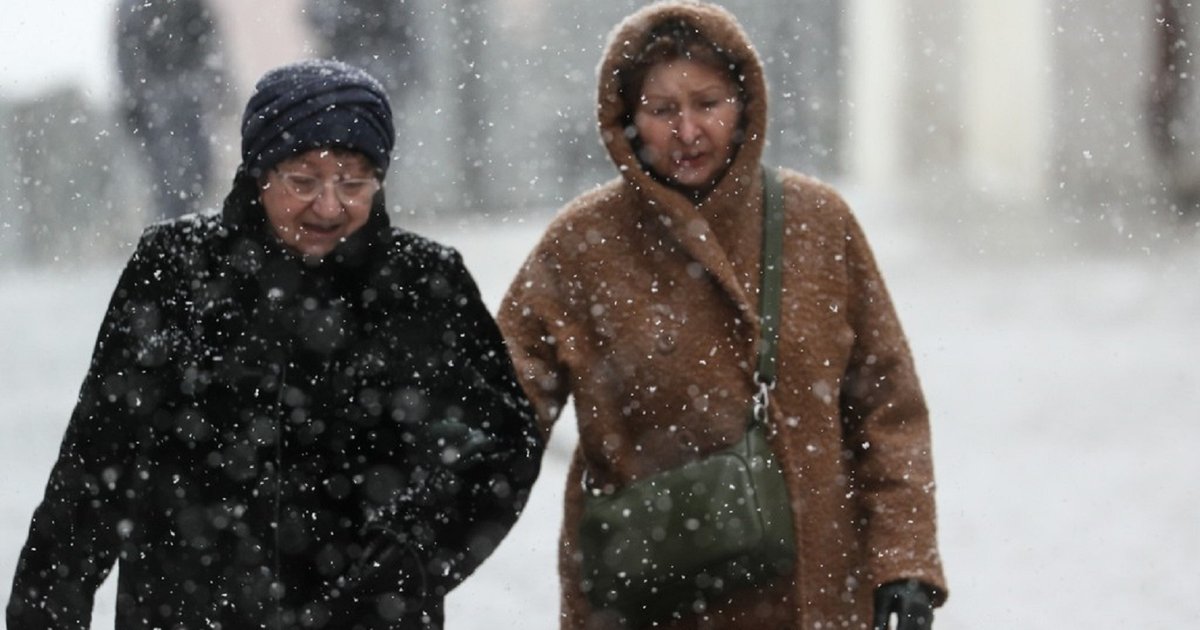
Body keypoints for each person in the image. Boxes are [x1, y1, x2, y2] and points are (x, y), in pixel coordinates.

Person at [8, 59, 543, 630]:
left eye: (354, 181)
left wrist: (409, 557)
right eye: (304, 180)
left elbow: (502, 443)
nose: (330, 206)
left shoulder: (420, 283)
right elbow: (96, 464)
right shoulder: (177, 270)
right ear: (259, 173)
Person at [497, 2, 947, 629]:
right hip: (649, 599)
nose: (688, 132)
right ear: (625, 120)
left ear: (745, 105)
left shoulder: (819, 226)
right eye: (661, 111)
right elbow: (498, 414)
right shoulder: (582, 245)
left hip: (812, 595)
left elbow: (888, 411)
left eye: (708, 104)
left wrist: (903, 562)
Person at [115, 0, 231, 220]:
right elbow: (130, 57)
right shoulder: (132, 9)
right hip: (159, 109)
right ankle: (176, 239)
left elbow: (209, 38)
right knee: (173, 184)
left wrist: (212, 84)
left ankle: (190, 231)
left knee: (199, 174)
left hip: (188, 102)